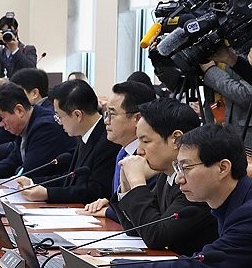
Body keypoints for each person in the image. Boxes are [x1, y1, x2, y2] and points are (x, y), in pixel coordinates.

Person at [90, 124, 252, 268]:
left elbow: (197, 267)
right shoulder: (227, 201)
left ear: (222, 168)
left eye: (186, 168)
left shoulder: (247, 214)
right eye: (178, 168)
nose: (178, 179)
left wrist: (112, 267)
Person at [109, 98, 216, 254]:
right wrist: (126, 185)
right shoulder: (166, 174)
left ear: (177, 139)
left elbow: (156, 236)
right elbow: (135, 229)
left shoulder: (195, 181)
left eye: (145, 141)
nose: (139, 150)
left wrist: (137, 182)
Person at [15, 79, 117, 203]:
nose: (59, 122)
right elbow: (71, 178)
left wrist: (48, 194)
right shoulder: (85, 136)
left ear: (77, 115)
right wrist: (33, 182)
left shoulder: (107, 141)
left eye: (59, 116)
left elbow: (96, 191)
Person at [0, 82, 75, 181]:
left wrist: (15, 173)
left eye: (1, 118)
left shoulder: (45, 127)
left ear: (19, 110)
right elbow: (15, 159)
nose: (0, 124)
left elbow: (29, 172)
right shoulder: (25, 124)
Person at [82, 81, 157, 217]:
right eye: (106, 114)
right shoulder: (123, 152)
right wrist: (112, 204)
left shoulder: (151, 157)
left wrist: (110, 211)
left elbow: (148, 213)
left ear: (137, 118)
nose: (106, 121)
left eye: (112, 114)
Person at [201, 45, 252, 146]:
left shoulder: (245, 43)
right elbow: (177, 84)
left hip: (244, 134)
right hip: (215, 124)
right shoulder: (205, 44)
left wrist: (210, 71)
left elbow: (247, 97)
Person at [0, 12, 38, 79]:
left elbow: (32, 70)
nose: (7, 35)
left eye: (10, 32)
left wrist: (15, 50)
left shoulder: (28, 49)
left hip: (17, 88)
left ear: (16, 31)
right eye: (4, 32)